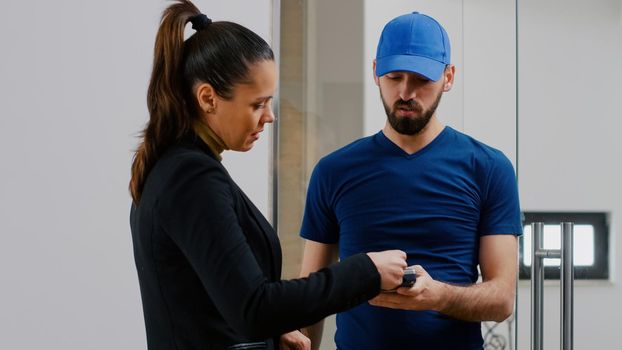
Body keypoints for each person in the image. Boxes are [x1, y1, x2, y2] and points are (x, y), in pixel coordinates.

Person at [128, 1, 409, 349]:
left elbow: (211, 303)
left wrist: (271, 337)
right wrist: (366, 272)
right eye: (257, 104)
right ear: (208, 98)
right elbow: (254, 307)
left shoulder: (179, 168)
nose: (270, 116)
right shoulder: (191, 178)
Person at [299, 11, 522, 350]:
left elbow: (502, 300)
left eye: (421, 79)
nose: (405, 92)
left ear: (448, 77)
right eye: (394, 77)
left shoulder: (489, 167)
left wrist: (437, 296)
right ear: (376, 71)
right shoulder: (334, 171)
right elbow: (310, 298)